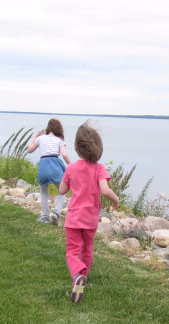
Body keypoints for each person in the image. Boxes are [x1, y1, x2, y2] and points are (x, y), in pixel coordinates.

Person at [59, 122, 120, 303]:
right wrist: (116, 200)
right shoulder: (99, 169)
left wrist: (68, 180)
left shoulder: (70, 168)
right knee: (87, 249)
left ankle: (77, 274)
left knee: (72, 251)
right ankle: (82, 277)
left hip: (73, 219)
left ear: (76, 147)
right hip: (90, 219)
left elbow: (62, 190)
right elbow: (105, 190)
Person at [27, 118, 71, 225]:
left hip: (43, 165)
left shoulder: (41, 139)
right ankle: (56, 212)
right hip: (55, 165)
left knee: (43, 192)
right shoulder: (59, 140)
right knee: (62, 191)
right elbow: (64, 154)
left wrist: (35, 137)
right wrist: (71, 165)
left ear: (48, 128)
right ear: (58, 129)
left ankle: (45, 217)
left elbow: (29, 150)